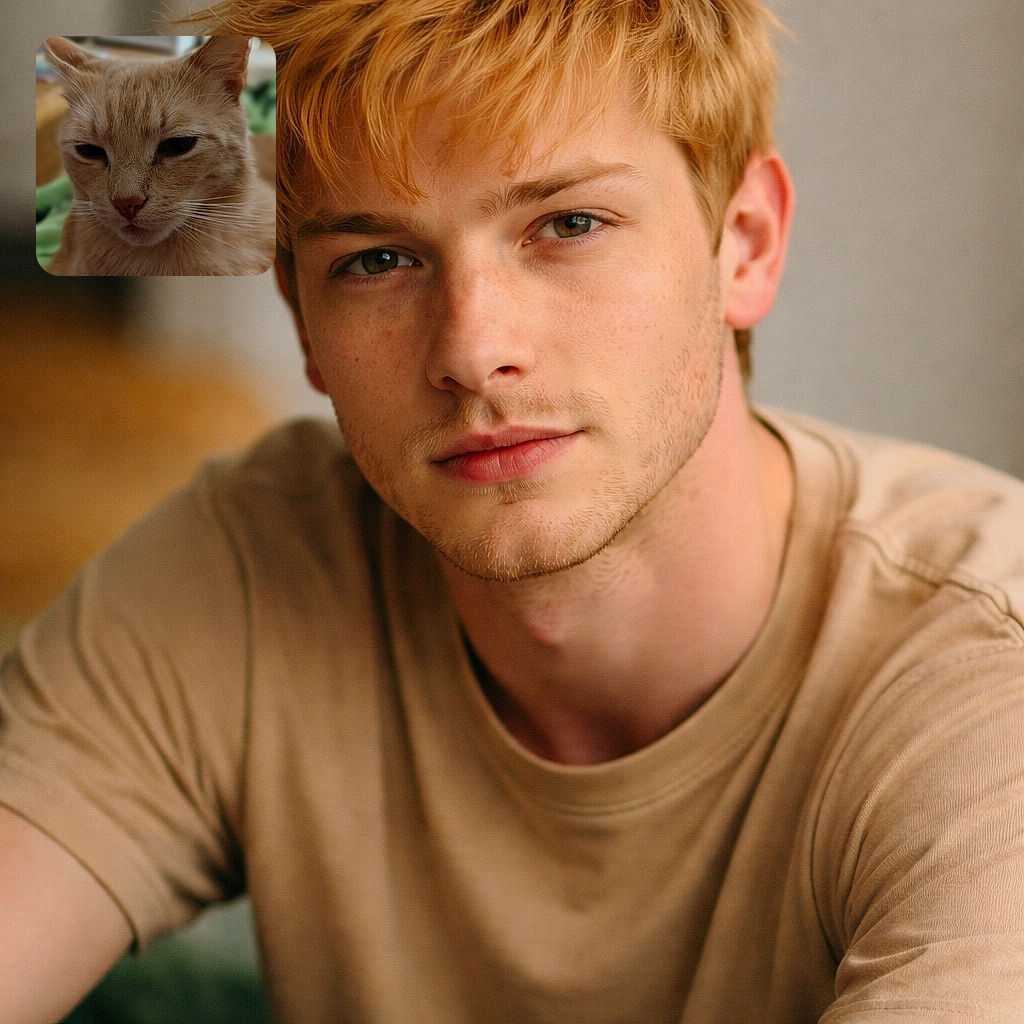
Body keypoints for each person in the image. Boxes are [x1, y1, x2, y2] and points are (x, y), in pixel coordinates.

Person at [3, 1, 1023, 1021]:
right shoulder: (250, 563)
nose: (470, 347)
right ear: (301, 321)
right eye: (376, 260)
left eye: (567, 225)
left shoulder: (982, 666)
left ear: (744, 244)